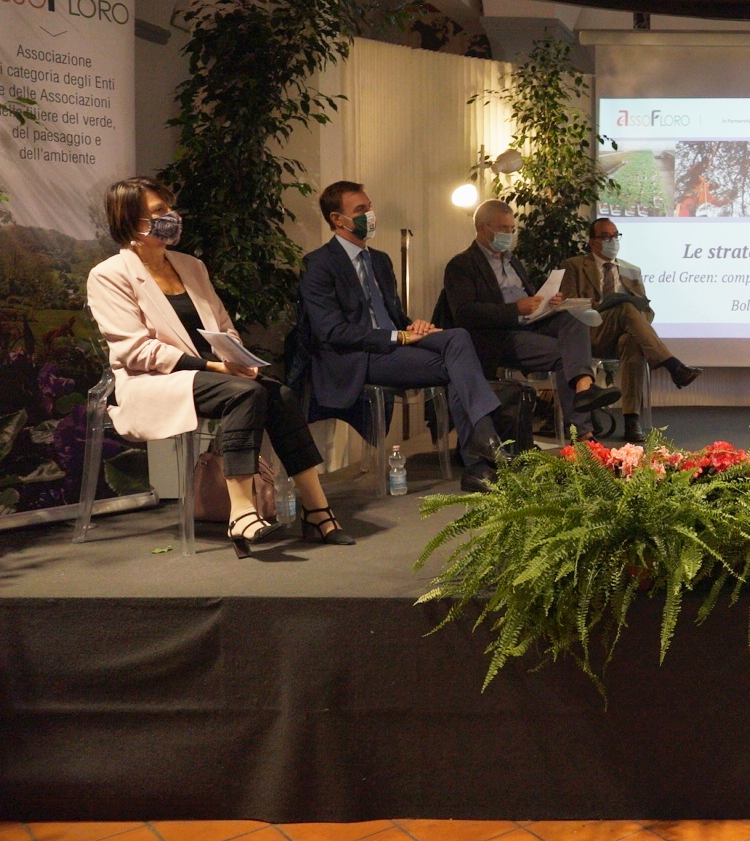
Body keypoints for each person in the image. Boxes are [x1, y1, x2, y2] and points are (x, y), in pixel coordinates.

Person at [86, 178, 348, 557]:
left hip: (211, 374)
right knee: (246, 394)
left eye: (170, 208)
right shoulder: (109, 275)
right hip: (153, 380)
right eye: (159, 211)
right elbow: (135, 350)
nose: (171, 216)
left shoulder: (191, 266)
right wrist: (213, 366)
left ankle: (316, 508)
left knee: (279, 393)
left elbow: (223, 326)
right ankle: (241, 512)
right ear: (130, 219)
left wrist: (234, 357)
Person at [296, 181, 504, 492]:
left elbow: (393, 315)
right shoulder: (319, 264)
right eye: (360, 210)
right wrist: (399, 337)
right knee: (457, 367)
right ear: (338, 219)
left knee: (457, 337)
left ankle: (482, 445)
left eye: (369, 207)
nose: (370, 215)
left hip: (395, 342)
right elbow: (332, 331)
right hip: (360, 355)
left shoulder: (380, 260)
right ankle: (480, 457)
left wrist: (413, 326)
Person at [441, 199, 620, 440]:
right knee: (565, 355)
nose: (509, 234)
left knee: (573, 317)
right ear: (483, 228)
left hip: (531, 323)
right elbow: (465, 313)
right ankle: (582, 431)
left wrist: (547, 303)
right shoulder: (462, 264)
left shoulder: (512, 261)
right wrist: (514, 309)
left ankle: (583, 388)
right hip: (498, 335)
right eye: (503, 228)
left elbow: (529, 298)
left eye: (512, 229)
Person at [559, 217, 701, 444]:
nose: (612, 241)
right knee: (624, 308)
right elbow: (567, 304)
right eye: (606, 236)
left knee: (632, 340)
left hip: (619, 336)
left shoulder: (631, 270)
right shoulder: (573, 265)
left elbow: (648, 312)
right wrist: (604, 307)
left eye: (615, 236)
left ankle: (631, 419)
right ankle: (673, 365)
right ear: (592, 242)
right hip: (587, 334)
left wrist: (637, 316)